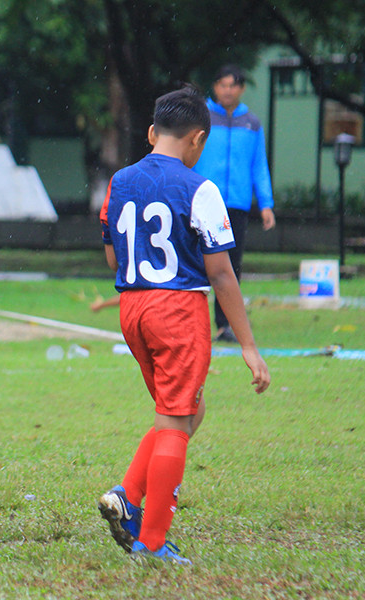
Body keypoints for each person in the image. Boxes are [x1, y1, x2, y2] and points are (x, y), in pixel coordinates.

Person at [96, 86, 271, 564]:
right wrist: (250, 347)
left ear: (153, 133)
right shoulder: (201, 188)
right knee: (176, 418)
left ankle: (128, 496)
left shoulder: (120, 181)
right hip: (177, 310)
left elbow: (113, 253)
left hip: (131, 309)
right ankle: (151, 542)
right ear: (198, 139)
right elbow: (221, 272)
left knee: (186, 412)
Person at [192, 64, 276, 343]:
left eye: (233, 85)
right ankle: (193, 321)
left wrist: (265, 203)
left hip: (236, 204)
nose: (227, 90)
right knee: (194, 260)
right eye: (222, 85)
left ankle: (223, 324)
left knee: (230, 265)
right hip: (202, 200)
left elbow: (259, 165)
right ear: (214, 87)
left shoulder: (251, 123)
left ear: (241, 89)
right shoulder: (201, 117)